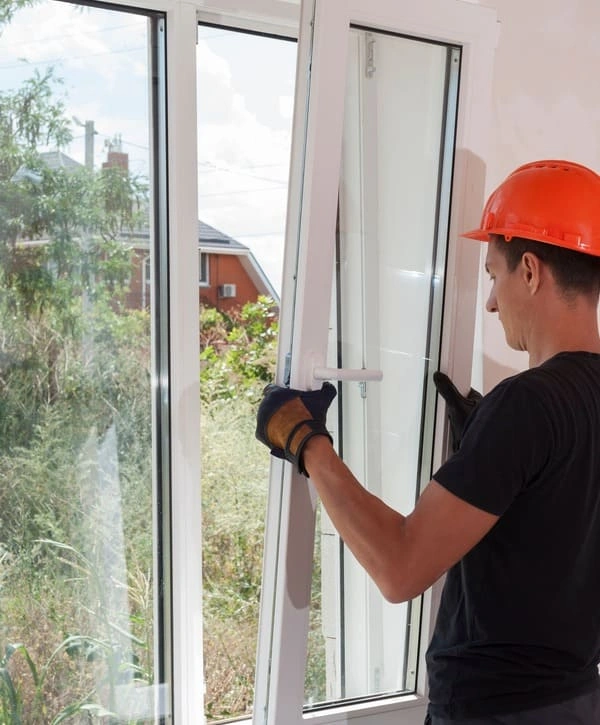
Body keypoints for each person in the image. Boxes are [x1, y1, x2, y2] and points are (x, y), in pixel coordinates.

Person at [255, 159, 600, 724]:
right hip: (579, 701)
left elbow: (401, 568)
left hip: (500, 711)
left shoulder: (527, 405)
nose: (491, 302)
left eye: (494, 275)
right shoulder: (551, 406)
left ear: (532, 271)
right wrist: (493, 458)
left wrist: (305, 441)